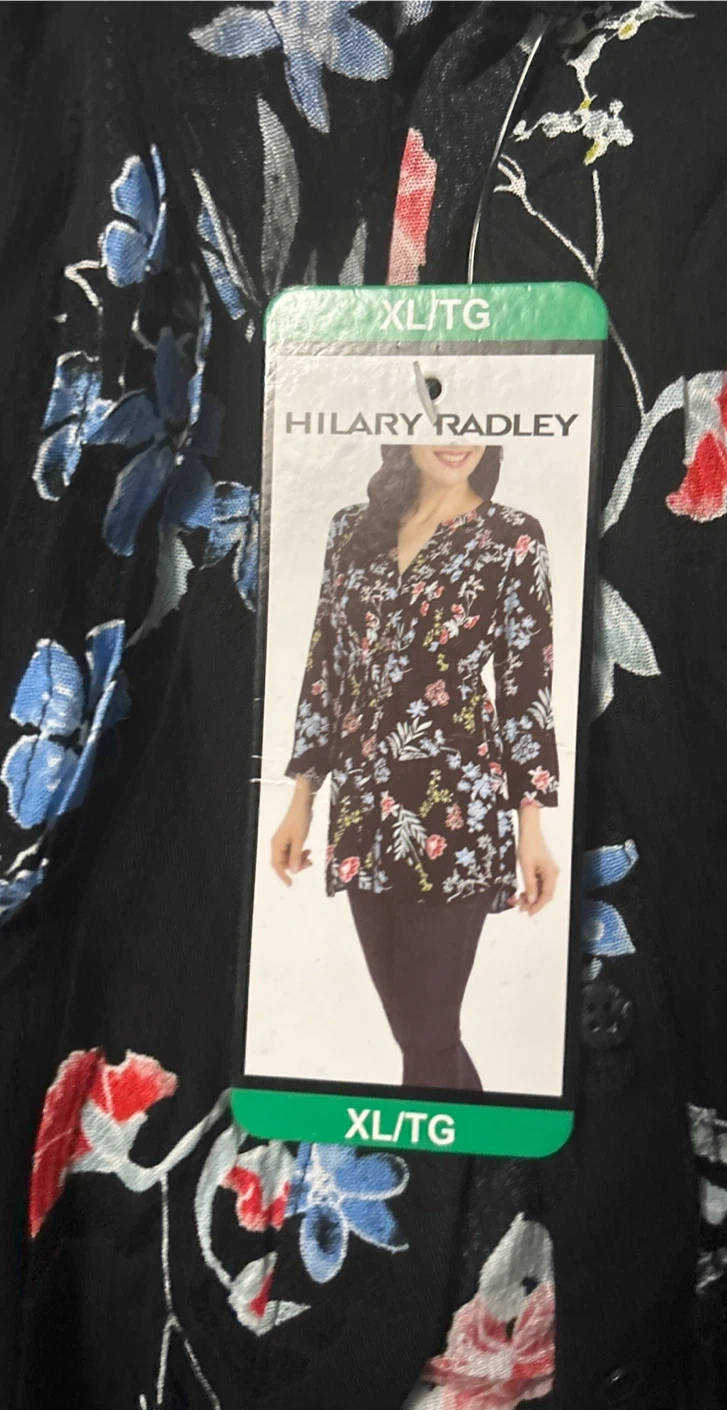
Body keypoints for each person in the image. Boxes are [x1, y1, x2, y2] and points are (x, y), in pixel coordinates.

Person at [270, 443, 559, 1090]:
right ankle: (483, 1146)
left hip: (454, 816)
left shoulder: (512, 537)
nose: (458, 440)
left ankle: (435, 1156)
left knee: (427, 1036)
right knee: (418, 1033)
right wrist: (301, 801)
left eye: (474, 425)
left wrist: (532, 829)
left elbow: (527, 690)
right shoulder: (352, 529)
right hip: (361, 815)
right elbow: (326, 666)